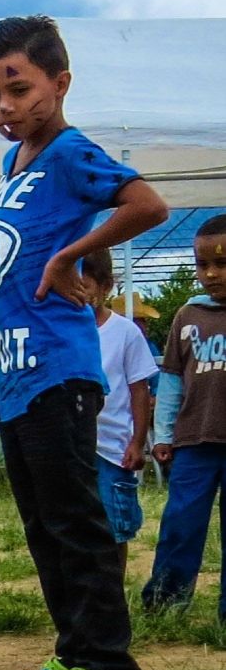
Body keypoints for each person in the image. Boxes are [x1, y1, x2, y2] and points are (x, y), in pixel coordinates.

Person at [0, 15, 169, 670]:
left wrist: (68, 255)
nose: (6, 108)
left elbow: (147, 204)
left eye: (19, 89)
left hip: (57, 366)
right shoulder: (13, 162)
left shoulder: (71, 151)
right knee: (39, 522)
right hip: (14, 369)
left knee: (74, 518)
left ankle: (112, 668)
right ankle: (73, 653)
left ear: (59, 83)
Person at [143, 214, 226, 616]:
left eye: (222, 264)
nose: (211, 274)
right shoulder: (187, 317)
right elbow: (172, 380)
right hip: (194, 442)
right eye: (202, 264)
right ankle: (165, 602)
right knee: (181, 524)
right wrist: (162, 435)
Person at [81, 246, 158, 568]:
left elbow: (139, 389)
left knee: (115, 526)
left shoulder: (125, 333)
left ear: (105, 286)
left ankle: (112, 593)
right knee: (78, 525)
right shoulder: (61, 331)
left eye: (83, 285)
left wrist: (137, 442)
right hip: (74, 446)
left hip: (112, 447)